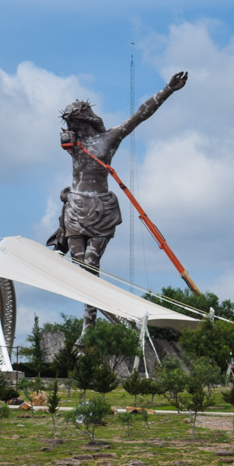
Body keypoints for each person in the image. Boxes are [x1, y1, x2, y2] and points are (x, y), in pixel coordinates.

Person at [47, 71, 188, 340]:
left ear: (83, 118)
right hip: (75, 208)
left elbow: (141, 114)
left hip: (100, 209)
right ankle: (90, 325)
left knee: (91, 266)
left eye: (73, 120)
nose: (69, 125)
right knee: (82, 269)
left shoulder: (109, 138)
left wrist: (167, 90)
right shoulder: (73, 143)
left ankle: (89, 327)